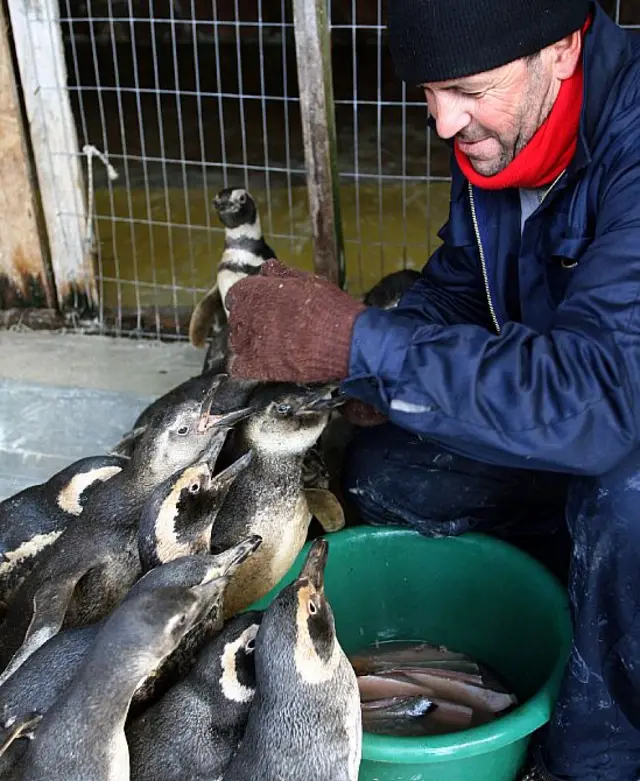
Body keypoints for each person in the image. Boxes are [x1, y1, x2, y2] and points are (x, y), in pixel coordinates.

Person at [224, 1, 640, 778]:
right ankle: (571, 598)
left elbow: (604, 400)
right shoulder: (505, 133)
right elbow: (463, 285)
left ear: (560, 48)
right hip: (585, 417)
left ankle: (599, 750)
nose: (444, 123)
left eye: (469, 89)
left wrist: (356, 339)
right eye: (428, 90)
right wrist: (364, 365)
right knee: (391, 472)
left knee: (624, 502)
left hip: (618, 422)